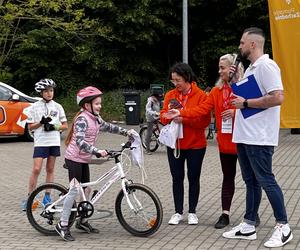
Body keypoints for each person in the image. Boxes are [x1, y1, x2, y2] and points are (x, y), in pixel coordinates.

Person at [222, 27, 293, 248]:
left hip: (259, 137)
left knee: (266, 180)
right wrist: (234, 80)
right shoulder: (253, 69)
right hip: (245, 135)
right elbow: (246, 95)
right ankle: (248, 225)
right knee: (251, 182)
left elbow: (277, 98)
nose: (240, 46)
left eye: (242, 42)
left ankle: (283, 226)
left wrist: (244, 103)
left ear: (253, 44)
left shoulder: (267, 66)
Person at [163, 54, 247, 229]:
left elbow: (257, 109)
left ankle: (252, 215)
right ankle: (224, 214)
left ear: (233, 69)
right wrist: (177, 115)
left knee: (251, 179)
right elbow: (201, 111)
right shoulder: (215, 92)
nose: (219, 71)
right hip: (223, 142)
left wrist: (237, 112)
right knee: (227, 178)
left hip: (245, 141)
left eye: (222, 68)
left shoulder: (245, 87)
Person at [55, 86, 132, 241]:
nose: (100, 106)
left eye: (100, 103)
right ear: (87, 105)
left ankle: (82, 221)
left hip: (83, 159)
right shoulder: (83, 119)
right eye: (97, 104)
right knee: (75, 190)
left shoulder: (95, 118)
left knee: (87, 189)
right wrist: (97, 150)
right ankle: (63, 225)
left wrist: (127, 132)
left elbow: (109, 127)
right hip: (74, 159)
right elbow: (80, 141)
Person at [160, 62, 210, 225]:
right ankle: (177, 211)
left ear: (187, 77)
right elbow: (162, 116)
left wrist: (184, 119)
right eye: (173, 80)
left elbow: (204, 122)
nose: (175, 84)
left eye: (178, 80)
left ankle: (192, 212)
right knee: (177, 177)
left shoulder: (201, 95)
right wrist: (168, 116)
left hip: (196, 144)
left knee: (193, 177)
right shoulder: (170, 95)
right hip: (175, 144)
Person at [22, 79, 68, 211]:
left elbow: (65, 126)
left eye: (51, 90)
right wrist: (41, 123)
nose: (49, 93)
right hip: (41, 142)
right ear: (41, 93)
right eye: (46, 91)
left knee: (50, 169)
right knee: (36, 169)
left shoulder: (58, 106)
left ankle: (47, 197)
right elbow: (31, 127)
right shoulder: (34, 107)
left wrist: (54, 126)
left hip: (54, 141)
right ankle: (30, 197)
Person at [145, 88, 162, 154]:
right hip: (150, 117)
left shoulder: (158, 100)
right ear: (155, 96)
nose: (159, 98)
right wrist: (155, 113)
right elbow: (148, 110)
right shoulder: (150, 101)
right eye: (158, 96)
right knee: (149, 132)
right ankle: (147, 149)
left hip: (157, 116)